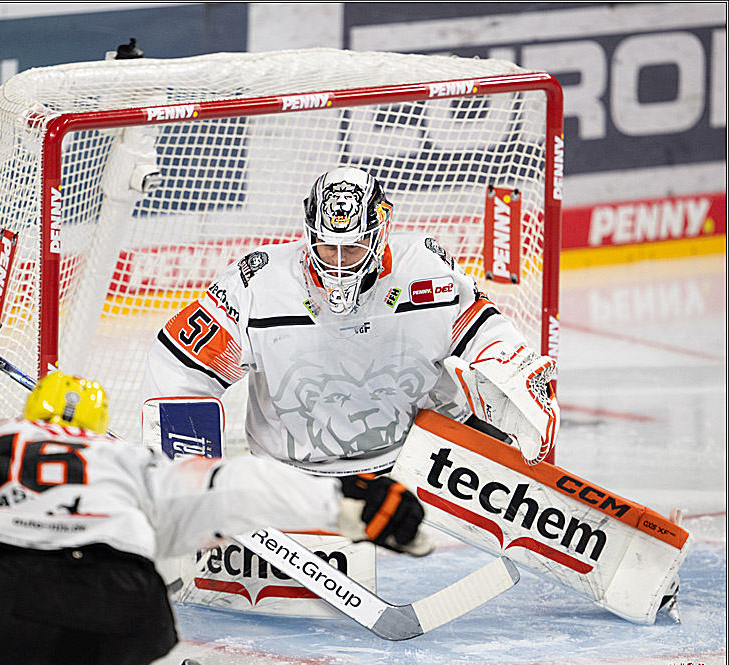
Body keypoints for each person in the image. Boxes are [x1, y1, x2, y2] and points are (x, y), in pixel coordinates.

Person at [0, 370, 426, 665]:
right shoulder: (134, 461)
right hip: (130, 613)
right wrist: (346, 503)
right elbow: (236, 484)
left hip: (0, 603)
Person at [141, 166, 559, 479]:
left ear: (380, 234)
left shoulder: (425, 268)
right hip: (293, 477)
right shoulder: (257, 283)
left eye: (353, 248)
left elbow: (482, 330)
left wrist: (517, 375)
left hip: (417, 466)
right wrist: (191, 477)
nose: (339, 263)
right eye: (328, 247)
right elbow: (182, 366)